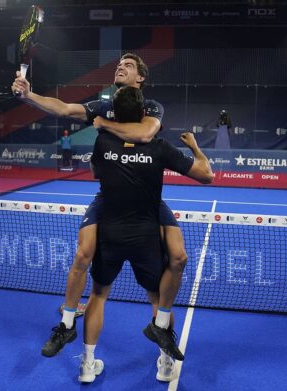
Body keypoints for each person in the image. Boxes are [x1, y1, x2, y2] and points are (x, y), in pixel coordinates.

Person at [11, 53, 190, 361]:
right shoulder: (103, 106)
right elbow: (65, 108)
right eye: (119, 64)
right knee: (82, 255)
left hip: (147, 200)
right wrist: (29, 96)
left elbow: (146, 132)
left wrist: (104, 125)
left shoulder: (151, 108)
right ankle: (69, 328)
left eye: (129, 65)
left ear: (140, 78)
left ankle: (164, 352)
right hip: (110, 198)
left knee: (170, 270)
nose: (121, 66)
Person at [78, 86, 213, 383]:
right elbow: (206, 175)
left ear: (115, 113)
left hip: (110, 236)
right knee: (158, 296)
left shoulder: (102, 143)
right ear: (143, 114)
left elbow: (96, 175)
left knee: (98, 295)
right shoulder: (161, 147)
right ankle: (165, 362)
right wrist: (194, 147)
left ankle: (87, 364)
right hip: (146, 238)